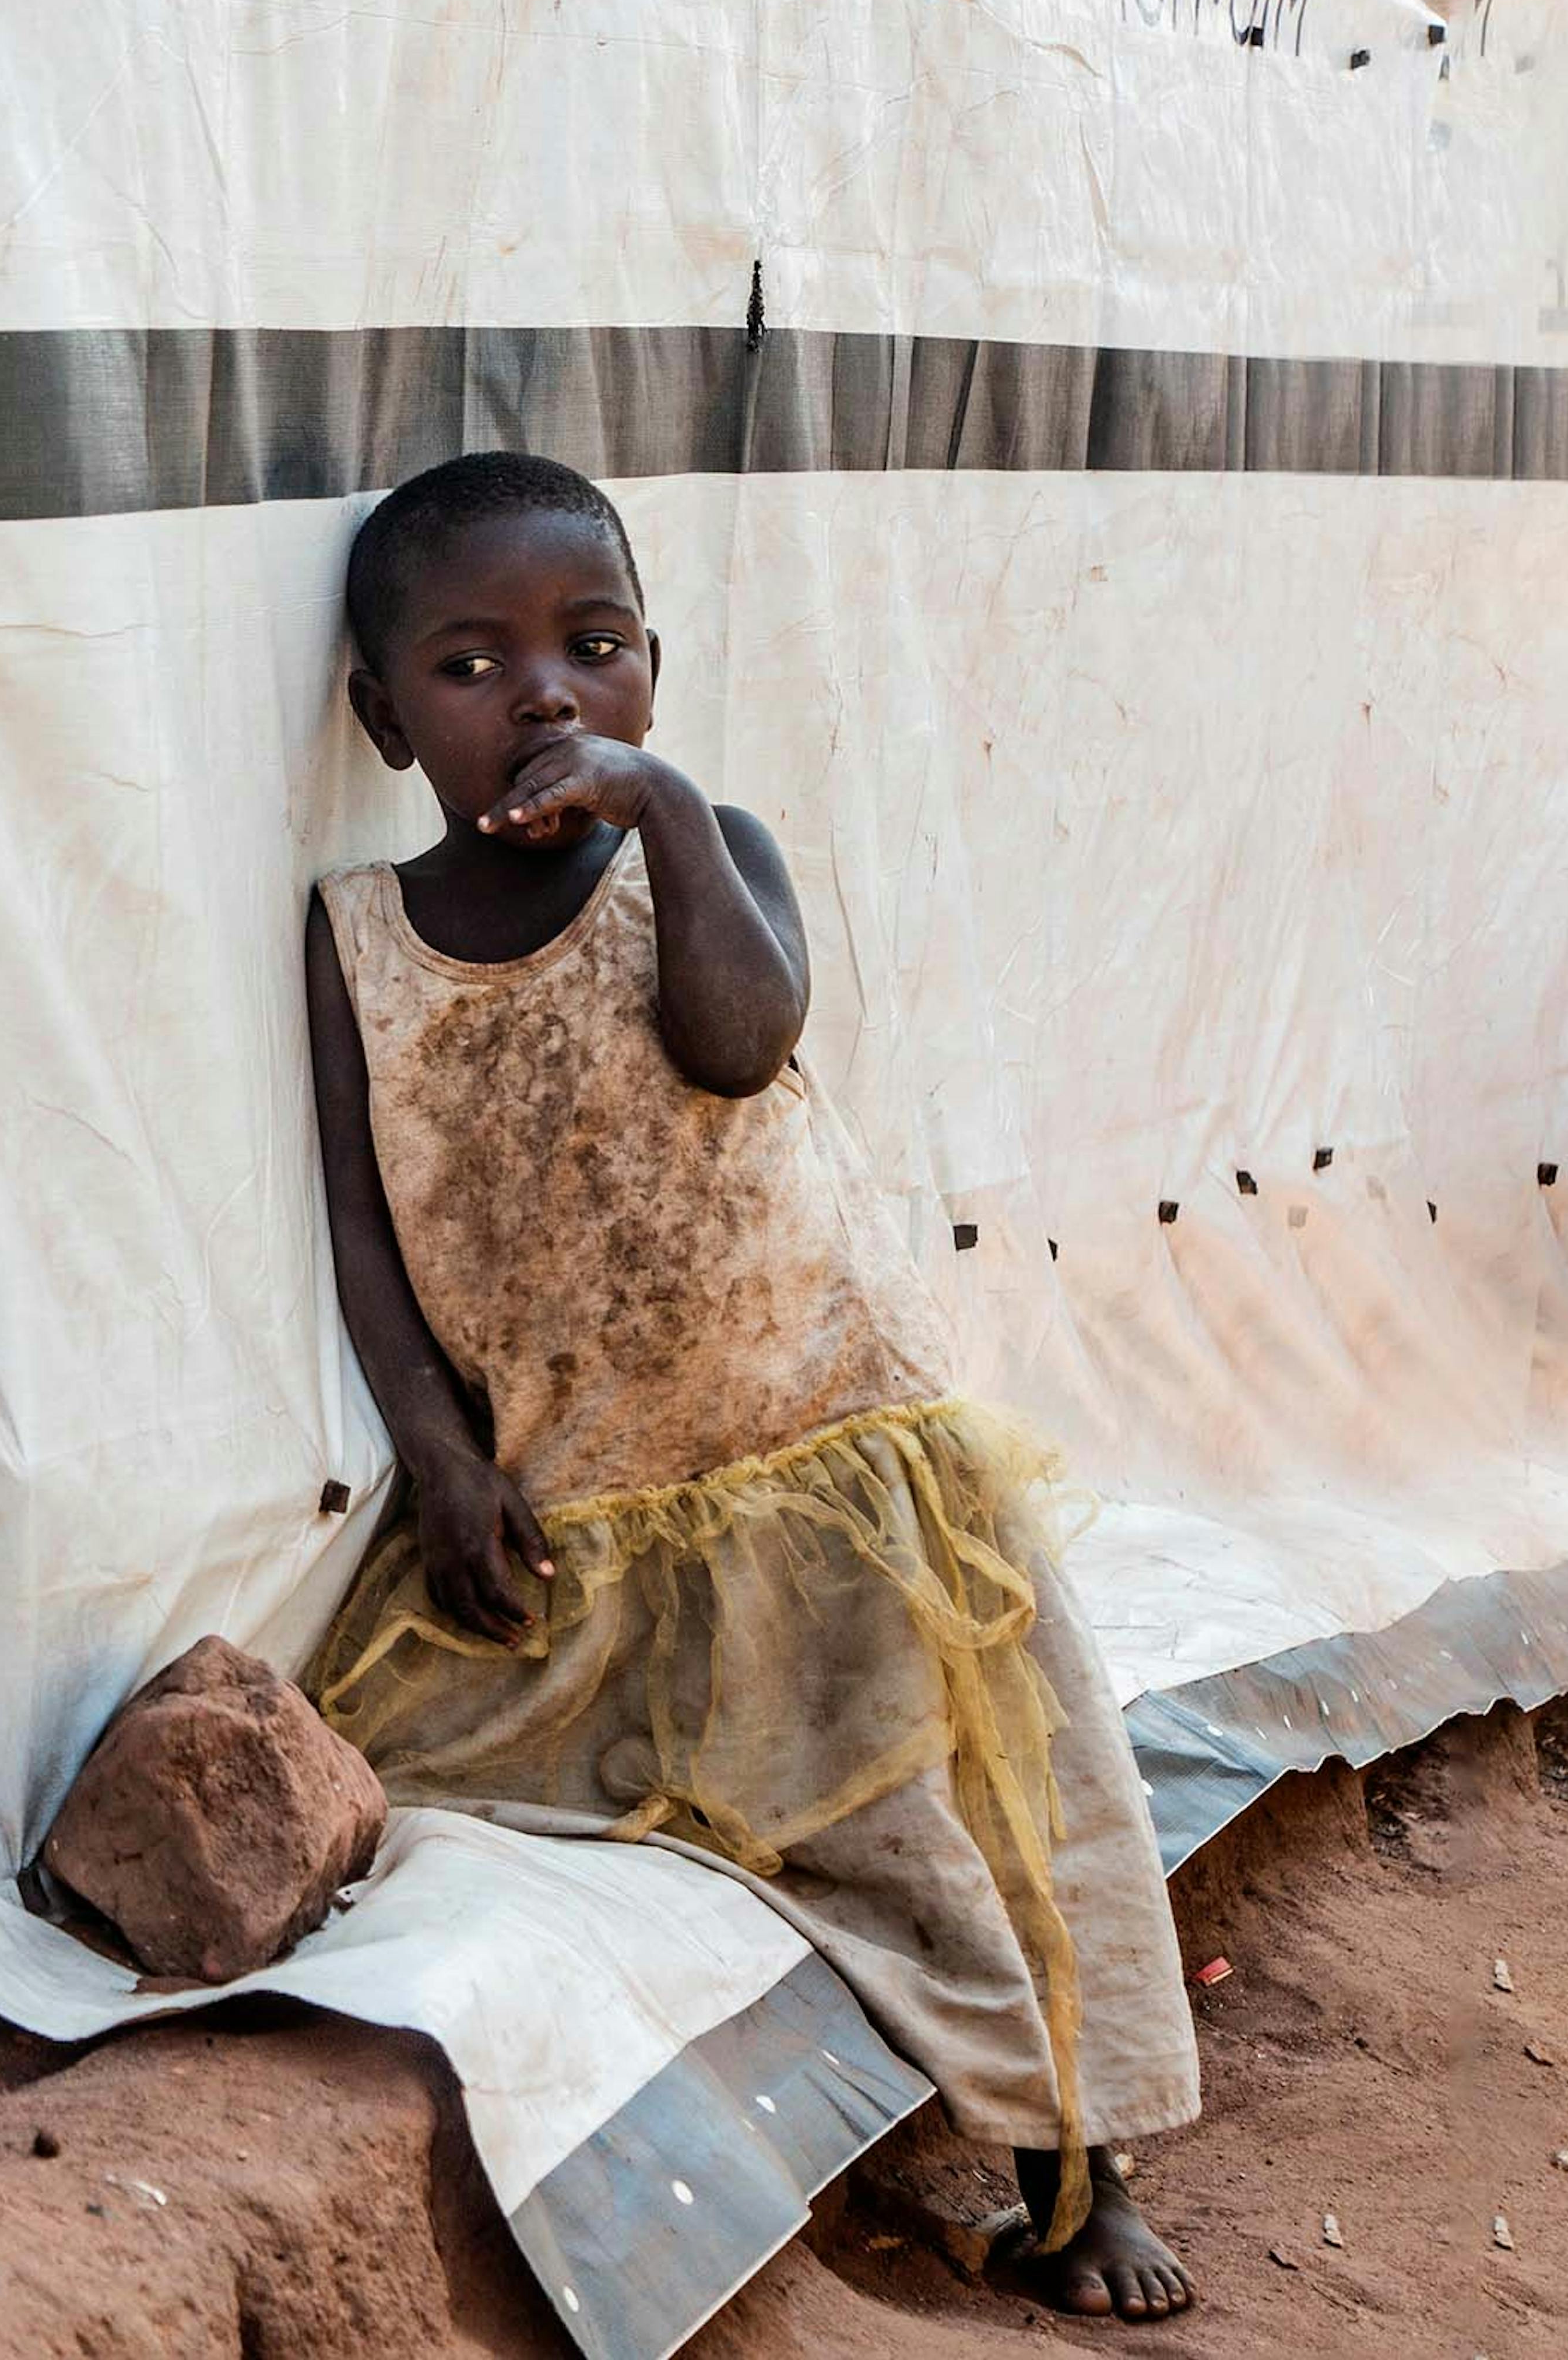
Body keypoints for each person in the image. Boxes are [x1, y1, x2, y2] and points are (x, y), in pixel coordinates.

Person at [293, 453, 1202, 2323]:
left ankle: (1071, 2170)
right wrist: (440, 1457)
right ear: (387, 721)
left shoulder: (711, 864)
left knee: (980, 1821)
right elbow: (364, 1235)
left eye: (594, 649)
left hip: (828, 1463)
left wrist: (671, 816)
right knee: (456, 1786)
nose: (545, 695)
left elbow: (739, 1041)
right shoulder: (360, 945)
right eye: (472, 668)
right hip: (594, 1499)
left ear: (653, 679)